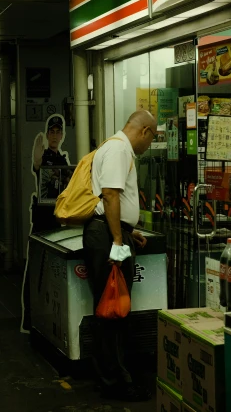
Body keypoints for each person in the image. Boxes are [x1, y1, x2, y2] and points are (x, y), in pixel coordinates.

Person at [83, 110, 156, 402]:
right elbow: (110, 195)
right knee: (112, 309)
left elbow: (116, 199)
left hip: (112, 232)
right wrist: (117, 239)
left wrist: (127, 232)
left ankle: (114, 376)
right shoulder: (118, 148)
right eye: (151, 139)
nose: (148, 146)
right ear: (145, 132)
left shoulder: (116, 147)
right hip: (106, 237)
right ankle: (115, 382)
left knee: (115, 308)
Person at [30, 115, 70, 233]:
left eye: (58, 132)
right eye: (52, 132)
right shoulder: (44, 156)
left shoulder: (63, 160)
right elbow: (37, 165)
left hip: (57, 214)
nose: (54, 136)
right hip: (42, 216)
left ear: (61, 136)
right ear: (47, 135)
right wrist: (37, 159)